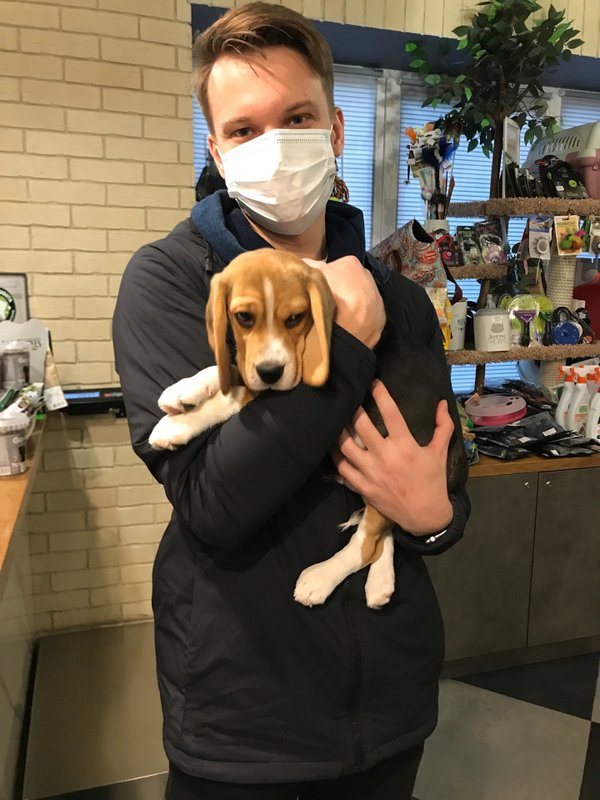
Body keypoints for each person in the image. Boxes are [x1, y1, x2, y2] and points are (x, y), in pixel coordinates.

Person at [112, 4, 470, 798]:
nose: (273, 146)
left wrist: (436, 519)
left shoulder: (400, 298)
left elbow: (448, 472)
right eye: (244, 129)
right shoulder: (172, 281)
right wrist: (345, 341)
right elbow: (214, 504)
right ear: (217, 150)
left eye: (298, 118)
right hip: (245, 728)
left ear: (336, 129)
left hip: (391, 710)